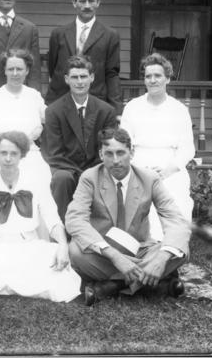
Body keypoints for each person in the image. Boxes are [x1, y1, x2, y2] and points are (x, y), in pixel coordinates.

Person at [65, 127, 190, 305]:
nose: (115, 160)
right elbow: (75, 219)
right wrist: (115, 257)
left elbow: (175, 220)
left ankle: (112, 286)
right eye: (109, 154)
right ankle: (154, 282)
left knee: (180, 250)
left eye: (121, 153)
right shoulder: (90, 178)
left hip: (140, 249)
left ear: (131, 153)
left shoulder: (149, 178)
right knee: (76, 252)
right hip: (105, 252)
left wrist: (161, 258)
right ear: (101, 155)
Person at [0, 131, 81, 300]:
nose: (8, 159)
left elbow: (52, 219)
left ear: (22, 155)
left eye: (13, 153)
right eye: (3, 153)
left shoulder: (36, 181)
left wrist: (62, 246)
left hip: (30, 245)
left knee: (57, 270)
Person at [120, 53, 195, 241]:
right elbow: (124, 143)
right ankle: (143, 248)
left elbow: (187, 149)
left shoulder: (179, 109)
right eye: (148, 76)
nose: (152, 80)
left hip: (170, 167)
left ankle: (172, 248)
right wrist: (140, 170)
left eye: (157, 76)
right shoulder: (132, 107)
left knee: (175, 196)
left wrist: (167, 171)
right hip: (139, 165)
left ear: (167, 78)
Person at [42, 55, 117, 222]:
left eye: (83, 76)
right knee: (61, 179)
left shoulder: (106, 111)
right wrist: (80, 174)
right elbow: (55, 154)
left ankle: (103, 227)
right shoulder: (54, 111)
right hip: (66, 168)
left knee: (106, 176)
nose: (79, 82)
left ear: (92, 77)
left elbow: (107, 148)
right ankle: (63, 228)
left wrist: (90, 172)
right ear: (66, 79)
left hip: (96, 166)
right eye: (74, 77)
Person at [0, 49, 50, 181]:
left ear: (27, 71)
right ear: (5, 71)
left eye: (19, 69)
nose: (15, 73)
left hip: (29, 154)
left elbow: (51, 119)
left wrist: (39, 129)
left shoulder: (34, 96)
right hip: (0, 156)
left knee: (42, 179)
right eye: (10, 69)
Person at [46, 0, 122, 114]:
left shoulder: (110, 35)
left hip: (95, 103)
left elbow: (112, 74)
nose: (87, 6)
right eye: (82, 1)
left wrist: (116, 108)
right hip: (61, 101)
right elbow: (53, 68)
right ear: (74, 2)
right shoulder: (58, 34)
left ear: (98, 2)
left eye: (91, 1)